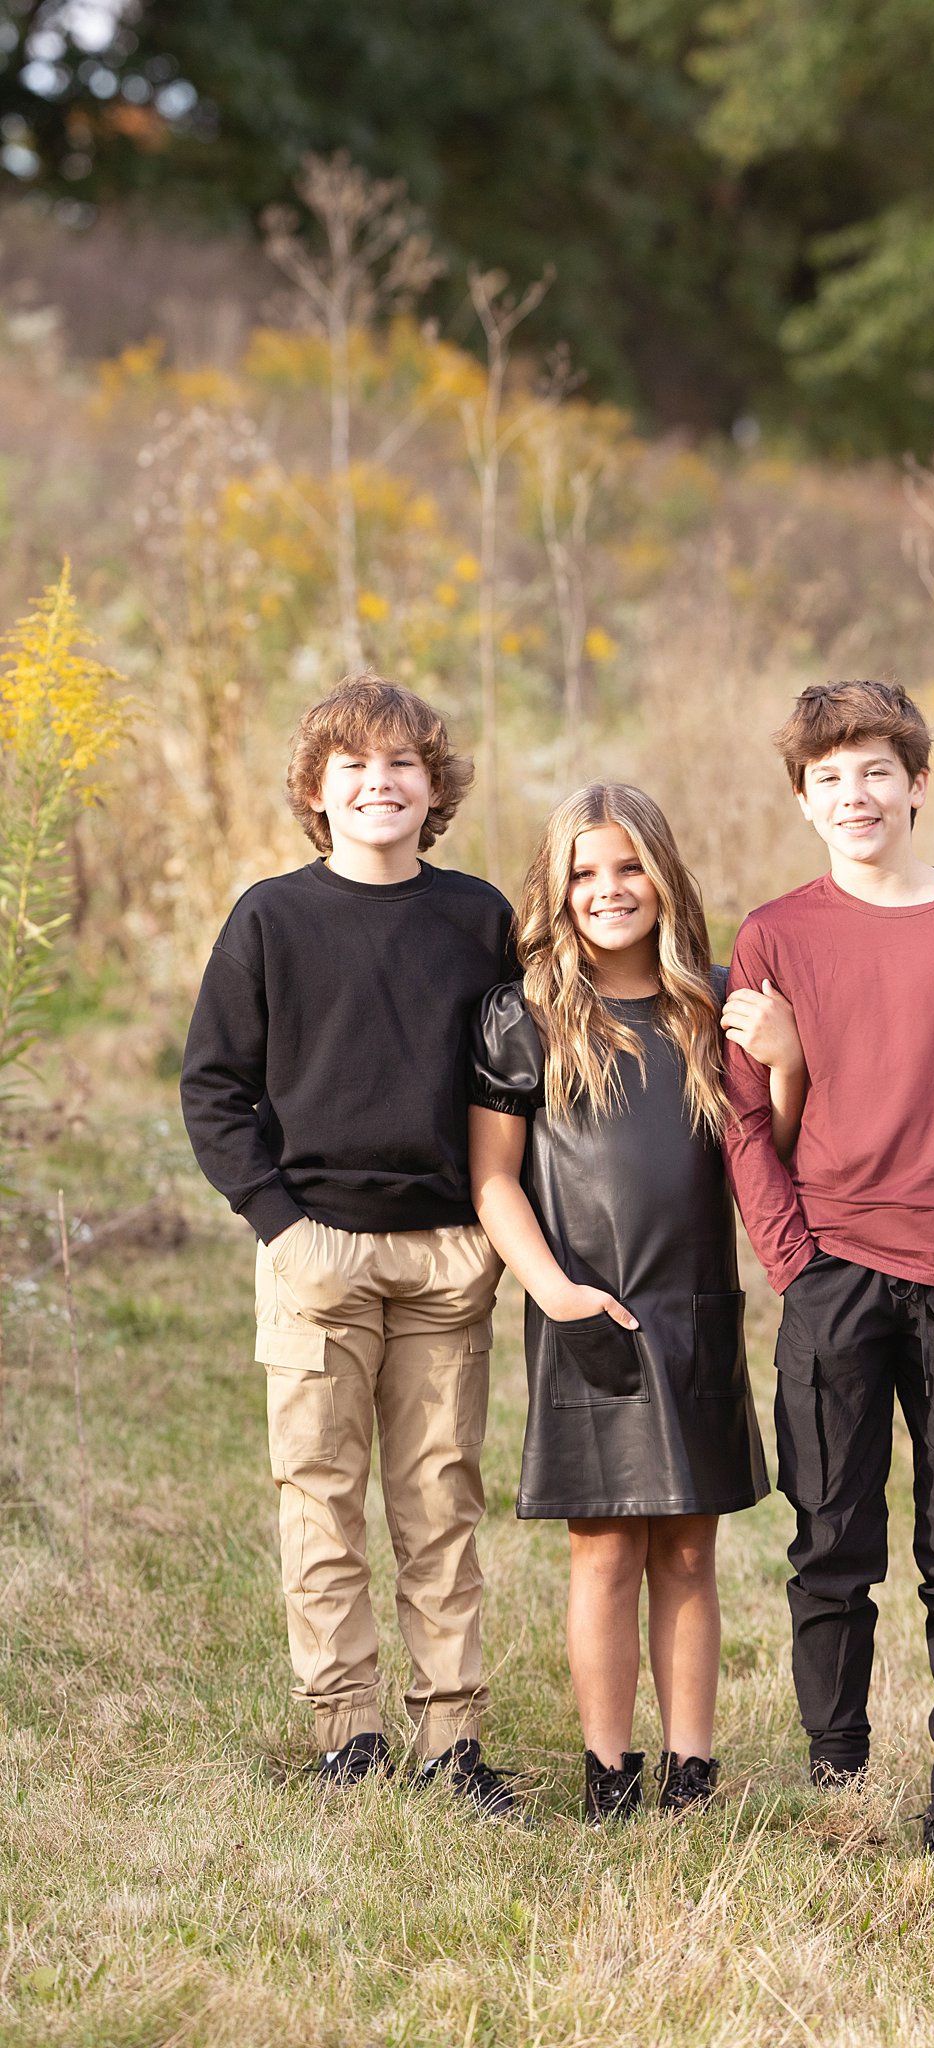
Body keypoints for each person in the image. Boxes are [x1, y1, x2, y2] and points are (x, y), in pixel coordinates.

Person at [720, 680, 934, 1865]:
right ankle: (839, 1769)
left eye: (875, 770)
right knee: (830, 1536)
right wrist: (792, 1262)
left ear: (917, 783)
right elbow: (739, 1120)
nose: (854, 794)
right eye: (829, 777)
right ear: (805, 800)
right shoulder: (775, 935)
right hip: (835, 1272)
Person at [180, 674, 520, 1812]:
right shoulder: (271, 918)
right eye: (353, 766)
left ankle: (451, 1739)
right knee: (319, 1496)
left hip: (443, 1255)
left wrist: (492, 1221)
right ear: (318, 792)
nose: (380, 782)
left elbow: (517, 1076)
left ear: (435, 790)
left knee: (441, 1498)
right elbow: (214, 1086)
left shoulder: (476, 919)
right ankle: (348, 1730)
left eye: (403, 765)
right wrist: (279, 1222)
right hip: (316, 1251)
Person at [468, 783, 802, 1821]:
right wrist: (555, 1289)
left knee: (691, 1544)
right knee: (607, 1542)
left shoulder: (711, 1004)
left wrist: (785, 1063)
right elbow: (492, 1179)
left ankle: (689, 1772)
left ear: (663, 876)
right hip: (586, 1311)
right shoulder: (523, 1015)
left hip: (694, 1306)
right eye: (584, 872)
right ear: (556, 891)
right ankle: (608, 1770)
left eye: (628, 868)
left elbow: (770, 1161)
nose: (609, 890)